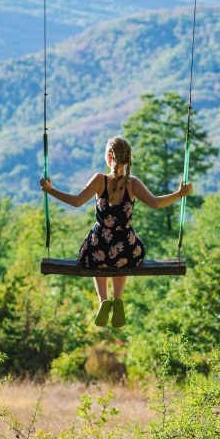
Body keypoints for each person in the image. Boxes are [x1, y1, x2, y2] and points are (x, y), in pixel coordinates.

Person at [40, 136, 192, 328]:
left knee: (96, 257)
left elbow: (76, 202)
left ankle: (103, 300)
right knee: (122, 256)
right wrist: (180, 194)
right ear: (128, 159)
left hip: (99, 244)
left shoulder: (99, 180)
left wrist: (50, 190)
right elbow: (156, 203)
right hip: (127, 248)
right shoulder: (133, 183)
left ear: (109, 157)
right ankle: (118, 299)